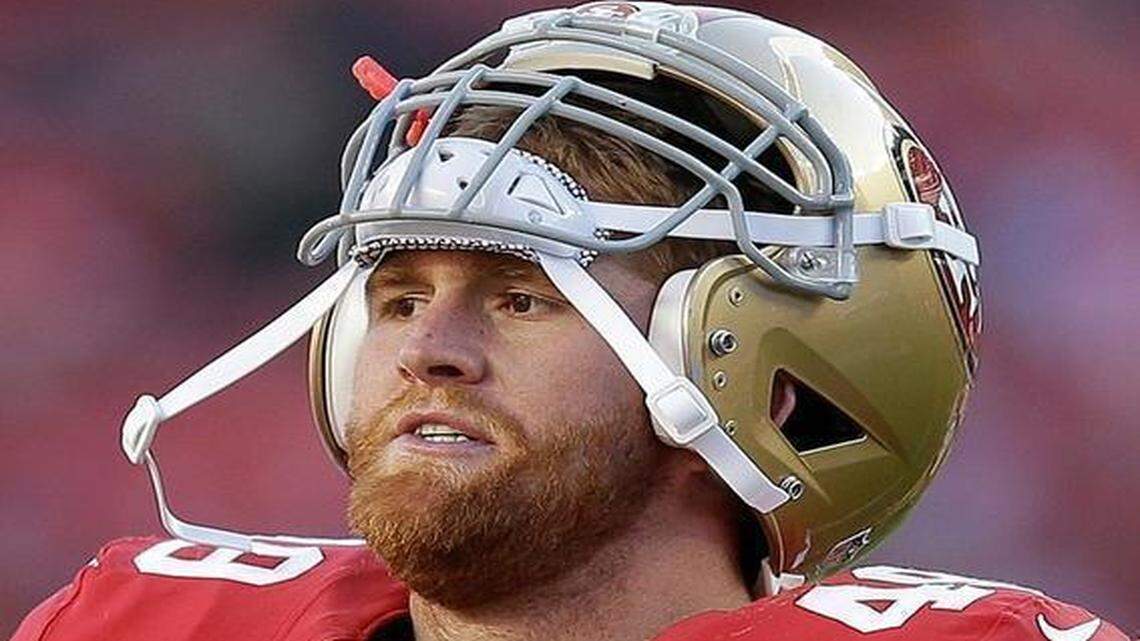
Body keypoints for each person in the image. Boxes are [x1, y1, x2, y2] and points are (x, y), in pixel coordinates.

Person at [11, 3, 1128, 640]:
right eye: (395, 296)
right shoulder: (138, 619)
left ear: (765, 385)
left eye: (523, 298)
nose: (425, 351)